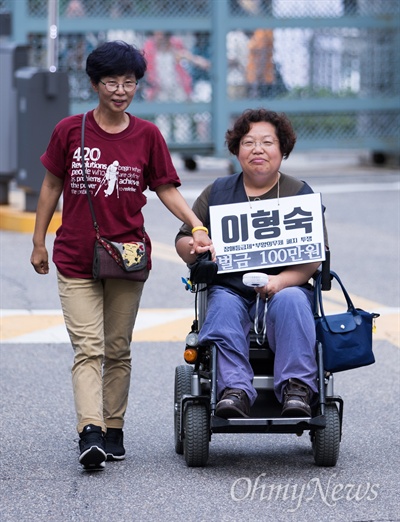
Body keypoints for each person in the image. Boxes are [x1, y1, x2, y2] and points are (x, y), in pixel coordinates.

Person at [30, 40, 213, 471]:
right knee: (88, 348)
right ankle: (89, 431)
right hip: (75, 255)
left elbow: (166, 187)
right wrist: (39, 241)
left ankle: (113, 428)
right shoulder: (69, 131)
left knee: (117, 347)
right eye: (111, 81)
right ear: (95, 84)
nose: (120, 89)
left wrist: (197, 224)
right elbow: (51, 186)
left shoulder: (147, 135)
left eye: (129, 82)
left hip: (127, 256)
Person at [175, 108, 328, 419]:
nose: (258, 150)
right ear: (236, 149)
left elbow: (315, 255)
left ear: (283, 149)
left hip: (282, 286)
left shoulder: (299, 193)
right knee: (222, 309)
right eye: (249, 142)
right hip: (231, 288)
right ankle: (234, 389)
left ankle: (297, 387)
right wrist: (194, 245)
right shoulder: (217, 192)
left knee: (293, 302)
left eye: (267, 142)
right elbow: (183, 240)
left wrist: (279, 282)